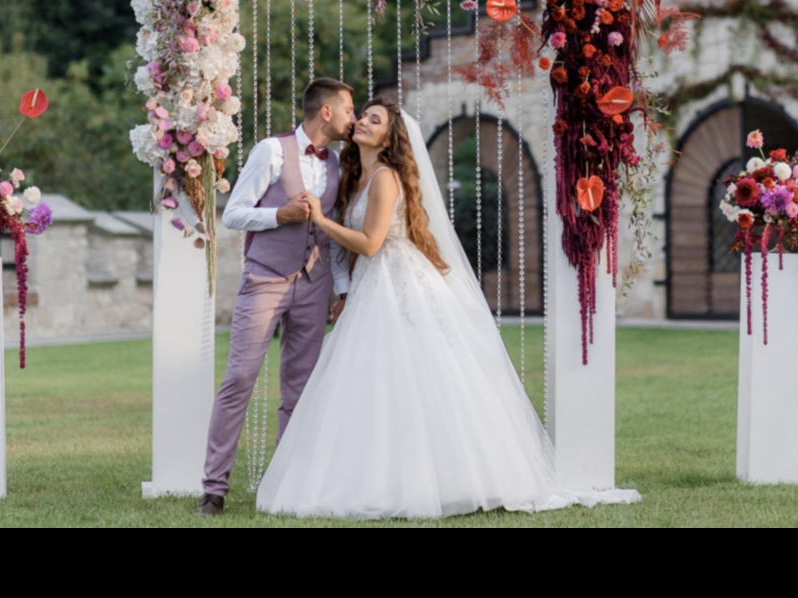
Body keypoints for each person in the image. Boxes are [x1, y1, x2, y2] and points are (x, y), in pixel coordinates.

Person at [255, 98, 641, 519]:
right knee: (375, 382)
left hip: (398, 282)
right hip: (371, 286)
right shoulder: (357, 175)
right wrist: (344, 292)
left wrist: (320, 219)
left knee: (418, 376)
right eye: (363, 115)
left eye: (374, 119)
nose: (363, 121)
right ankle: (382, 474)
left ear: (389, 137)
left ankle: (443, 478)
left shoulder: (384, 177)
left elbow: (370, 243)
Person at [197, 78, 357, 516]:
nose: (353, 118)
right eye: (348, 110)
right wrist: (279, 215)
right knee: (239, 380)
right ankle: (214, 489)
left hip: (316, 282)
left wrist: (340, 291)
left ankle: (287, 486)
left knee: (300, 389)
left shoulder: (341, 164)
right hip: (265, 277)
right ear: (326, 111)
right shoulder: (270, 150)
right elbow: (232, 213)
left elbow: (335, 238)